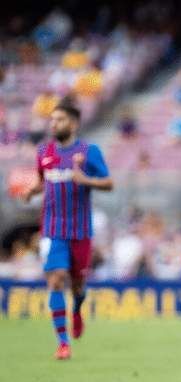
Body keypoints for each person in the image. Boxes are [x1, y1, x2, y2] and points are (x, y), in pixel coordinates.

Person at [24, 102, 113, 360]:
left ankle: (77, 310)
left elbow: (109, 182)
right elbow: (44, 181)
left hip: (80, 230)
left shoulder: (89, 152)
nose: (54, 124)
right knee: (55, 278)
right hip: (52, 230)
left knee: (77, 285)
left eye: (60, 119)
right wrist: (33, 191)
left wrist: (87, 181)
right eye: (52, 120)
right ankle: (63, 343)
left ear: (73, 124)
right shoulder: (44, 152)